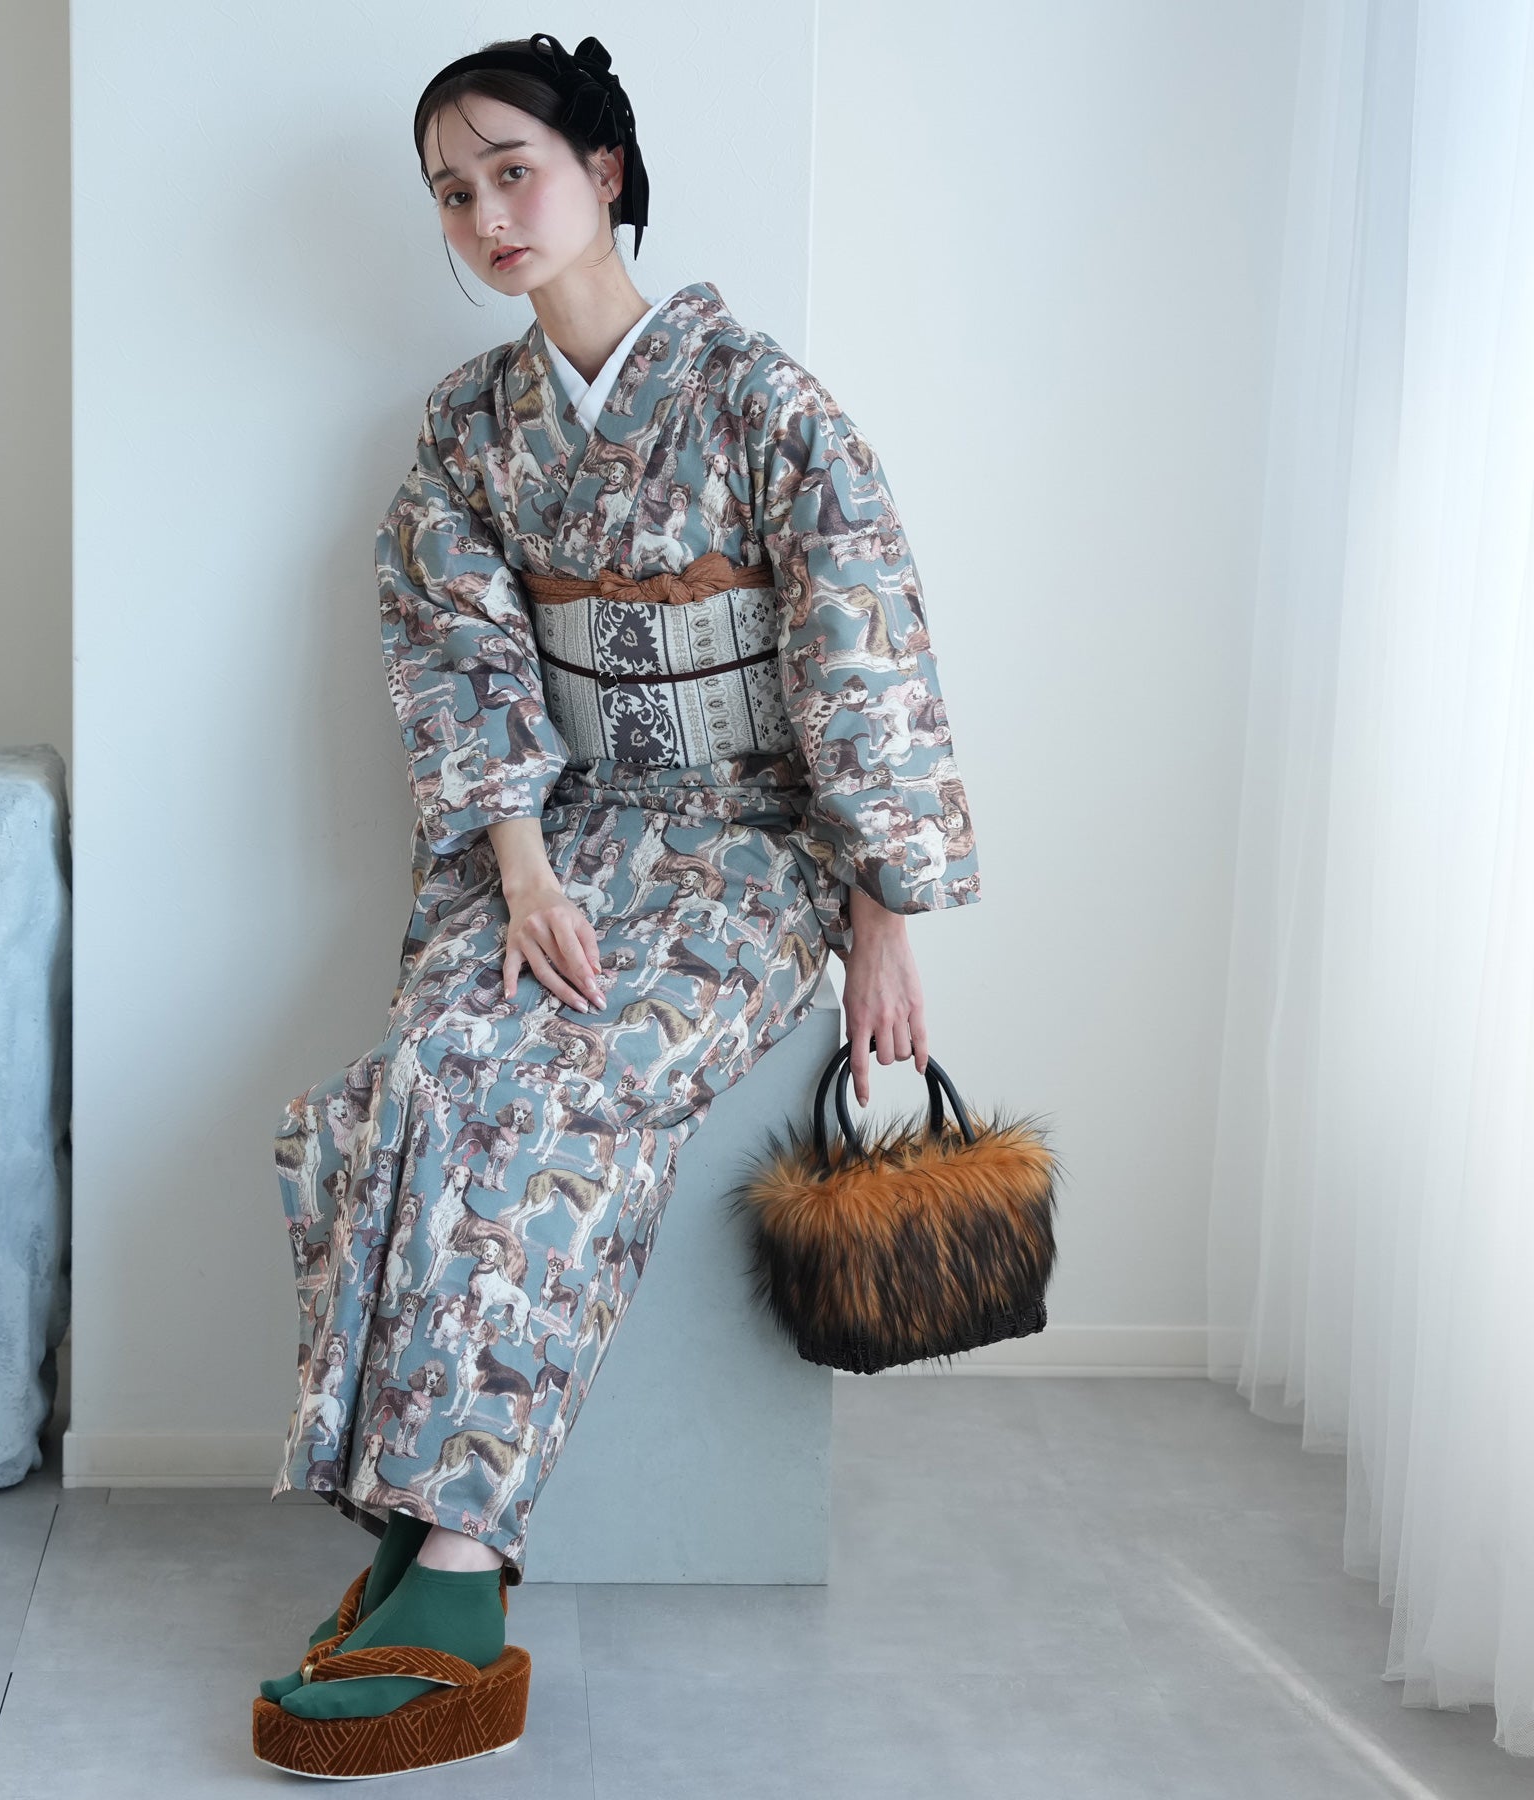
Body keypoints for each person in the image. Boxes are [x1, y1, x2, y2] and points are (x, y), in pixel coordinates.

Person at [251, 30, 982, 1777]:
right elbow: (458, 651)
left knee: (552, 1087)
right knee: (414, 1078)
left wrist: (880, 912)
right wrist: (517, 864)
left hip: (751, 841)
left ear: (605, 172)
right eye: (453, 193)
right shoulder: (471, 429)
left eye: (514, 170)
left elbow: (861, 649)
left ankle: (458, 1571)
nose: (487, 216)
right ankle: (404, 1519)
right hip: (557, 833)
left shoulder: (765, 406)